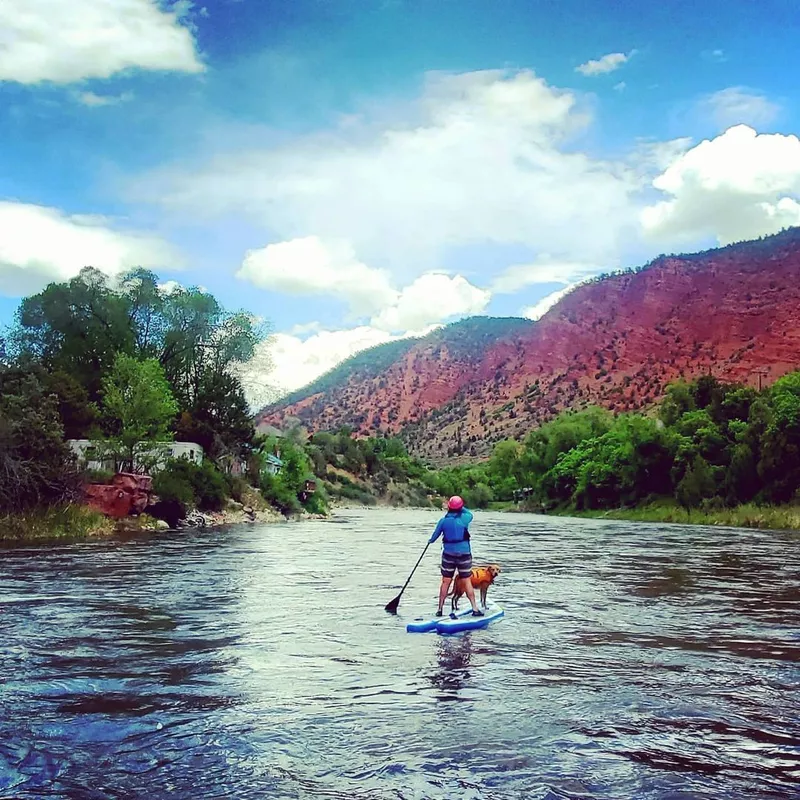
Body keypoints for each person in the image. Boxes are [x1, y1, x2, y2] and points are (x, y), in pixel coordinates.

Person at [429, 495, 483, 617]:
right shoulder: (465, 518)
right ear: (460, 507)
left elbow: (434, 536)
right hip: (464, 554)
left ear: (449, 507)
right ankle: (475, 609)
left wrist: (430, 541)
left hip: (448, 554)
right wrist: (460, 507)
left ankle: (440, 609)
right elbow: (469, 513)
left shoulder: (443, 521)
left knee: (445, 581)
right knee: (466, 580)